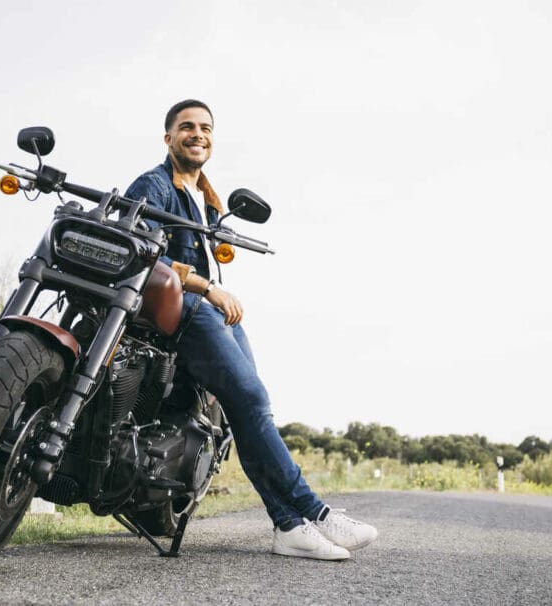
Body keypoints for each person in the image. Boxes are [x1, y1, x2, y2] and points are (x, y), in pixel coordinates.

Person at [125, 99, 378, 560]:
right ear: (168, 138)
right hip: (186, 306)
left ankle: (287, 526)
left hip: (211, 309)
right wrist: (206, 286)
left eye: (205, 128)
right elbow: (138, 247)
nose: (197, 134)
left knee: (250, 408)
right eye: (187, 127)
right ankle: (313, 512)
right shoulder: (155, 184)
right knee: (253, 401)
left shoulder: (203, 198)